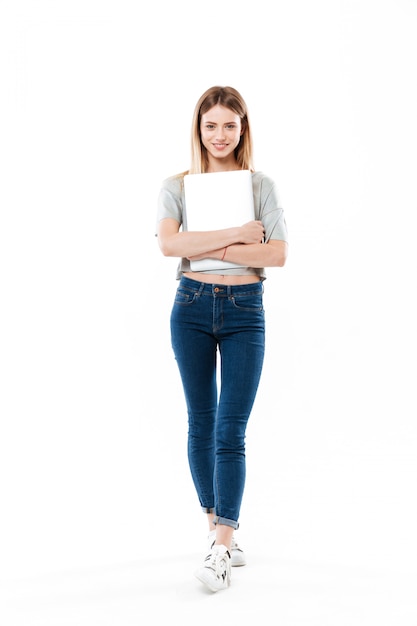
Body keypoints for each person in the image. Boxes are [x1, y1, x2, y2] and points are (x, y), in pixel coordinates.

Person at [156, 86, 288, 592]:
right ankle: (218, 530)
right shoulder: (177, 186)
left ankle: (223, 544)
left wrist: (208, 246)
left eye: (229, 125)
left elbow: (276, 256)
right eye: (210, 125)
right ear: (198, 129)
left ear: (242, 129)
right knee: (201, 421)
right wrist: (238, 237)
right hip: (190, 306)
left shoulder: (261, 186)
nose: (219, 135)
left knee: (231, 427)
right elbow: (170, 245)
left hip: (243, 310)